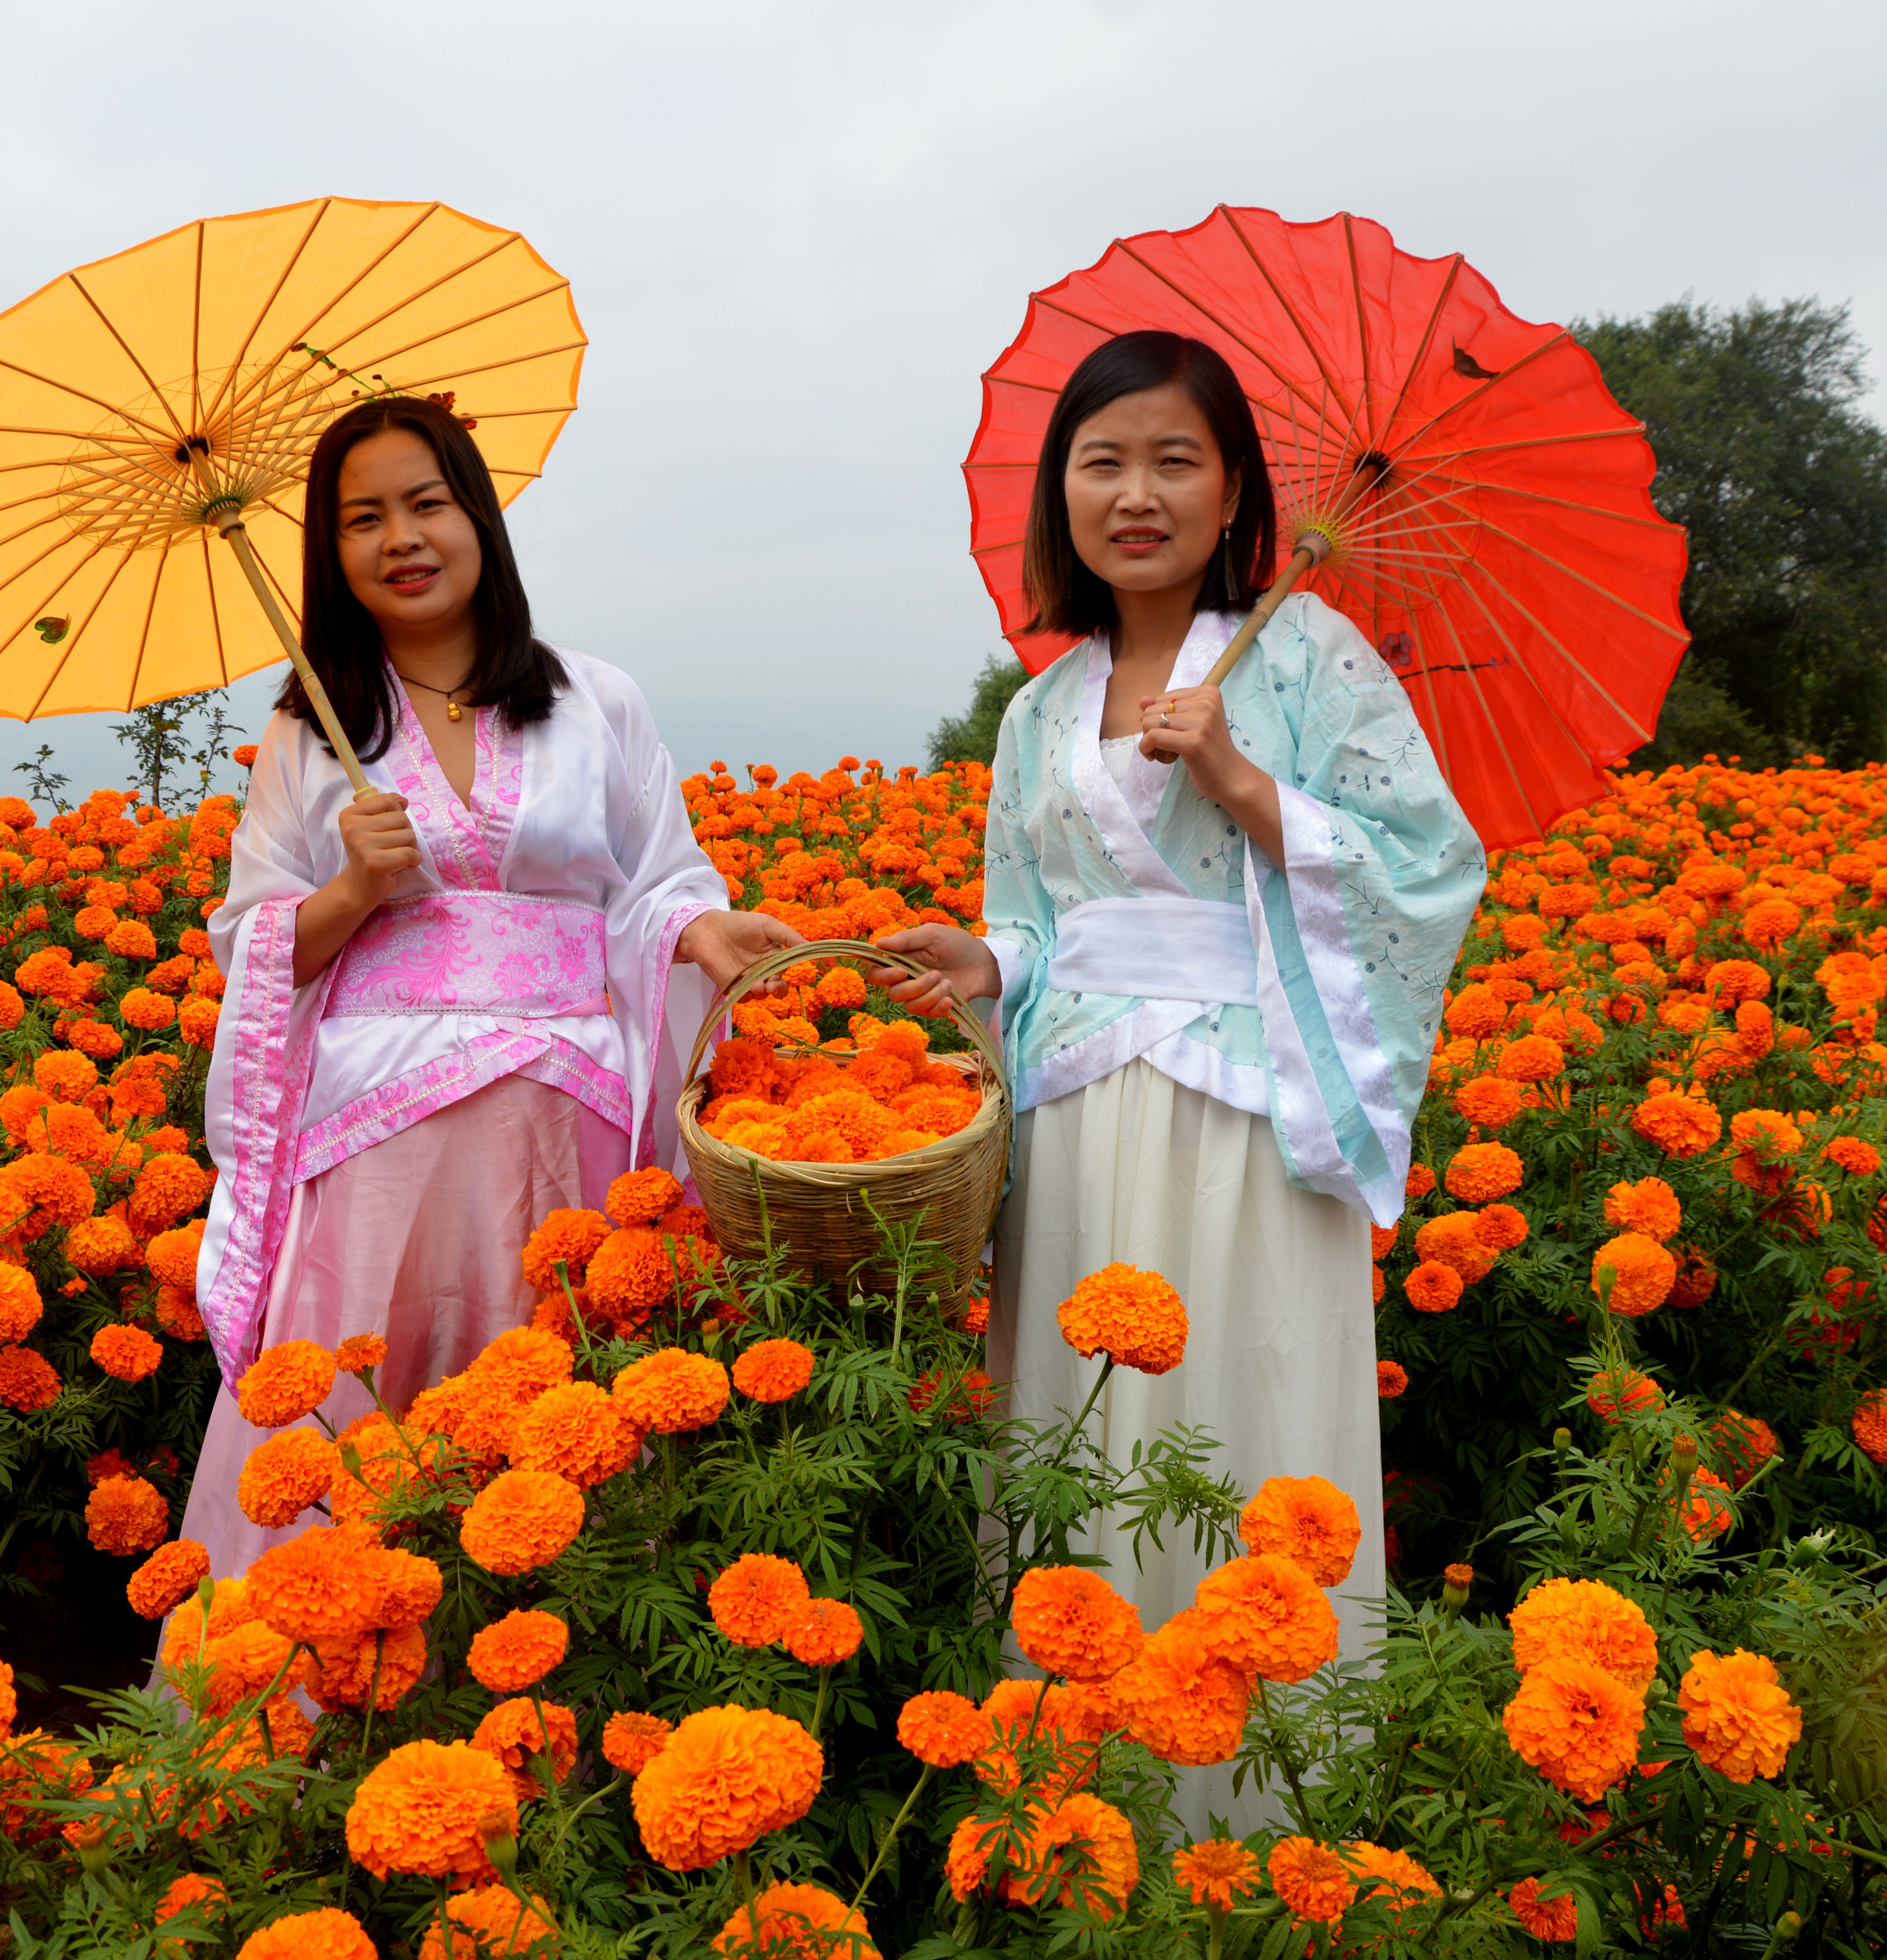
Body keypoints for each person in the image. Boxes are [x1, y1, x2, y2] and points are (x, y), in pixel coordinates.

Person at [872, 331, 1483, 1829]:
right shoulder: (1039, 710)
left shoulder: (1310, 658)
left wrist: (1244, 783)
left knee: (1241, 1406)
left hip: (1250, 1103)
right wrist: (985, 963)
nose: (1135, 495)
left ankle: (1254, 1820)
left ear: (1234, 493)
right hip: (1081, 1116)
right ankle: (1067, 1800)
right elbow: (1038, 915)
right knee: (1074, 1431)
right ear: (1060, 496)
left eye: (1174, 461)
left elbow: (1427, 871)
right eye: (1103, 462)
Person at [176, 393, 798, 1583]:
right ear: (330, 553)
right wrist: (352, 889)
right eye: (363, 519)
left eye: (426, 503)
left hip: (566, 1124)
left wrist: (702, 929)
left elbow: (656, 881)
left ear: (477, 517)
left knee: (569, 1411)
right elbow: (253, 947)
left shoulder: (595, 700)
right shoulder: (308, 730)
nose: (401, 538)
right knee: (363, 1422)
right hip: (377, 1139)